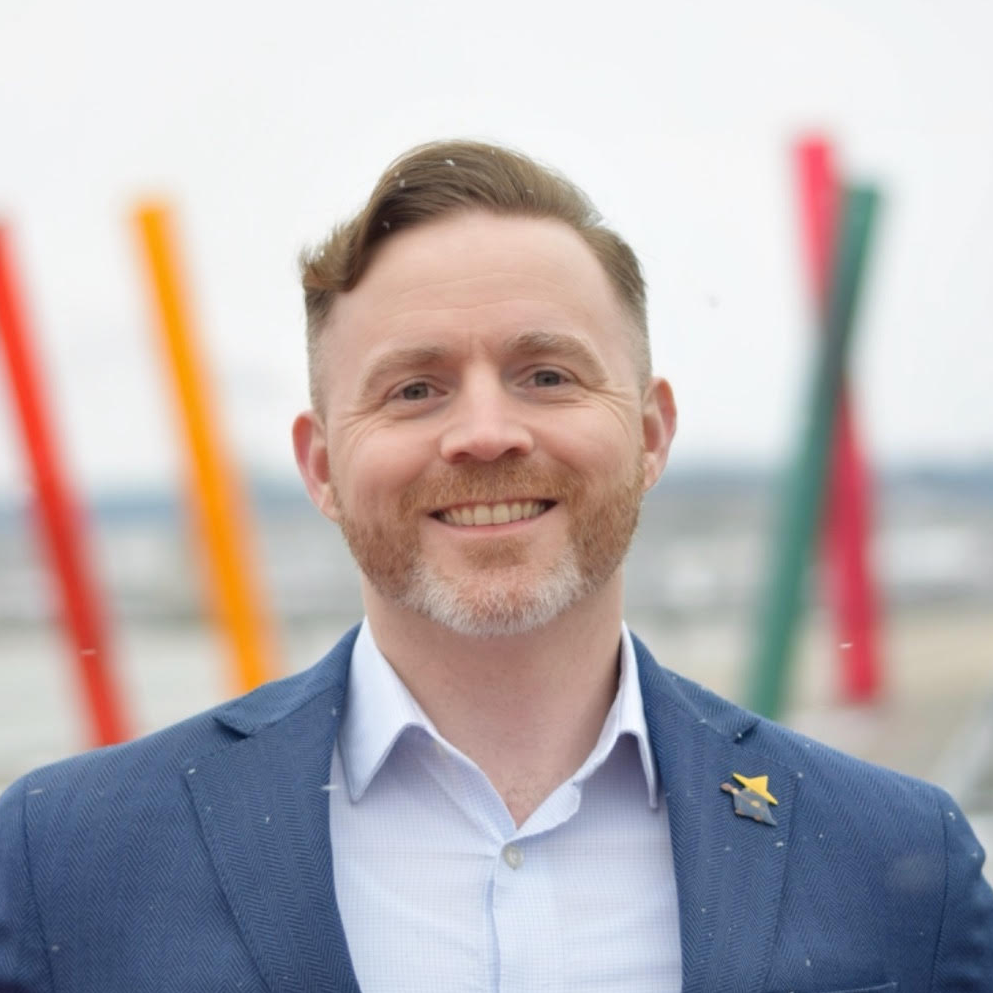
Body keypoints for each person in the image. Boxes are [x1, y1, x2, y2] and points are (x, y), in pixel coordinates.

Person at [1, 140, 990, 992]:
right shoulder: (67, 863)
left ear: (650, 433)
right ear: (320, 467)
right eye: (416, 387)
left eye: (545, 374)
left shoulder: (896, 861)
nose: (484, 433)